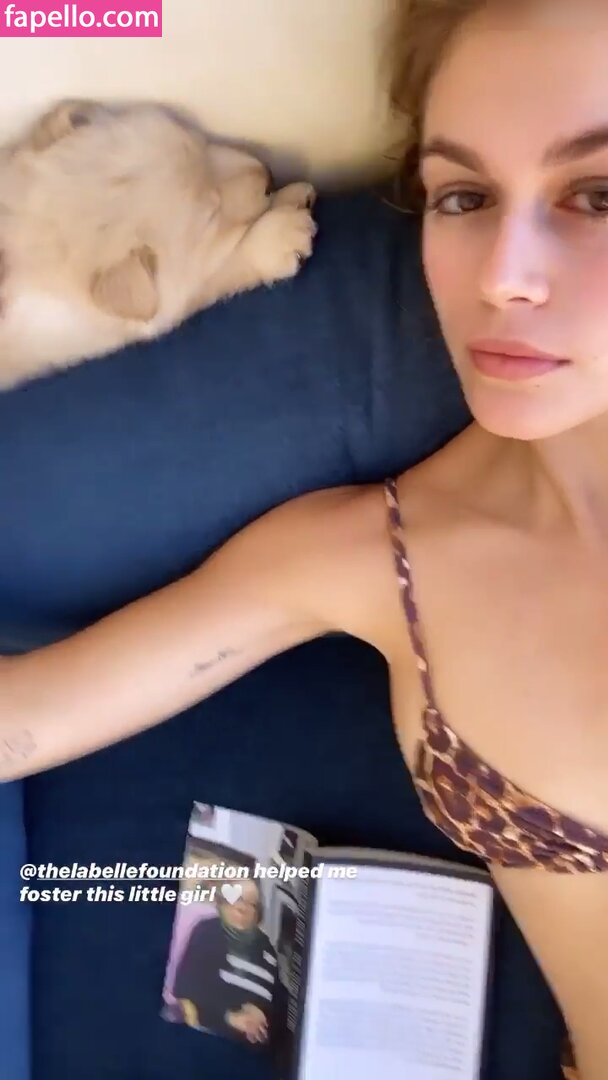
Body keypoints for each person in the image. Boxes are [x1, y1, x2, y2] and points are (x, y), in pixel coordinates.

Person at [1, 0, 604, 1075]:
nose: (502, 276)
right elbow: (25, 721)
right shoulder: (371, 553)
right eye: (461, 196)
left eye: (598, 194)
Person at [172, 880, 277, 1047]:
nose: (243, 908)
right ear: (223, 902)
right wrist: (230, 1017)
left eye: (251, 904)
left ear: (258, 913)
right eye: (237, 899)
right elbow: (186, 987)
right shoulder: (209, 930)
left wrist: (261, 1012)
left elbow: (277, 1001)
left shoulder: (268, 949)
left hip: (254, 1047)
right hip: (210, 1035)